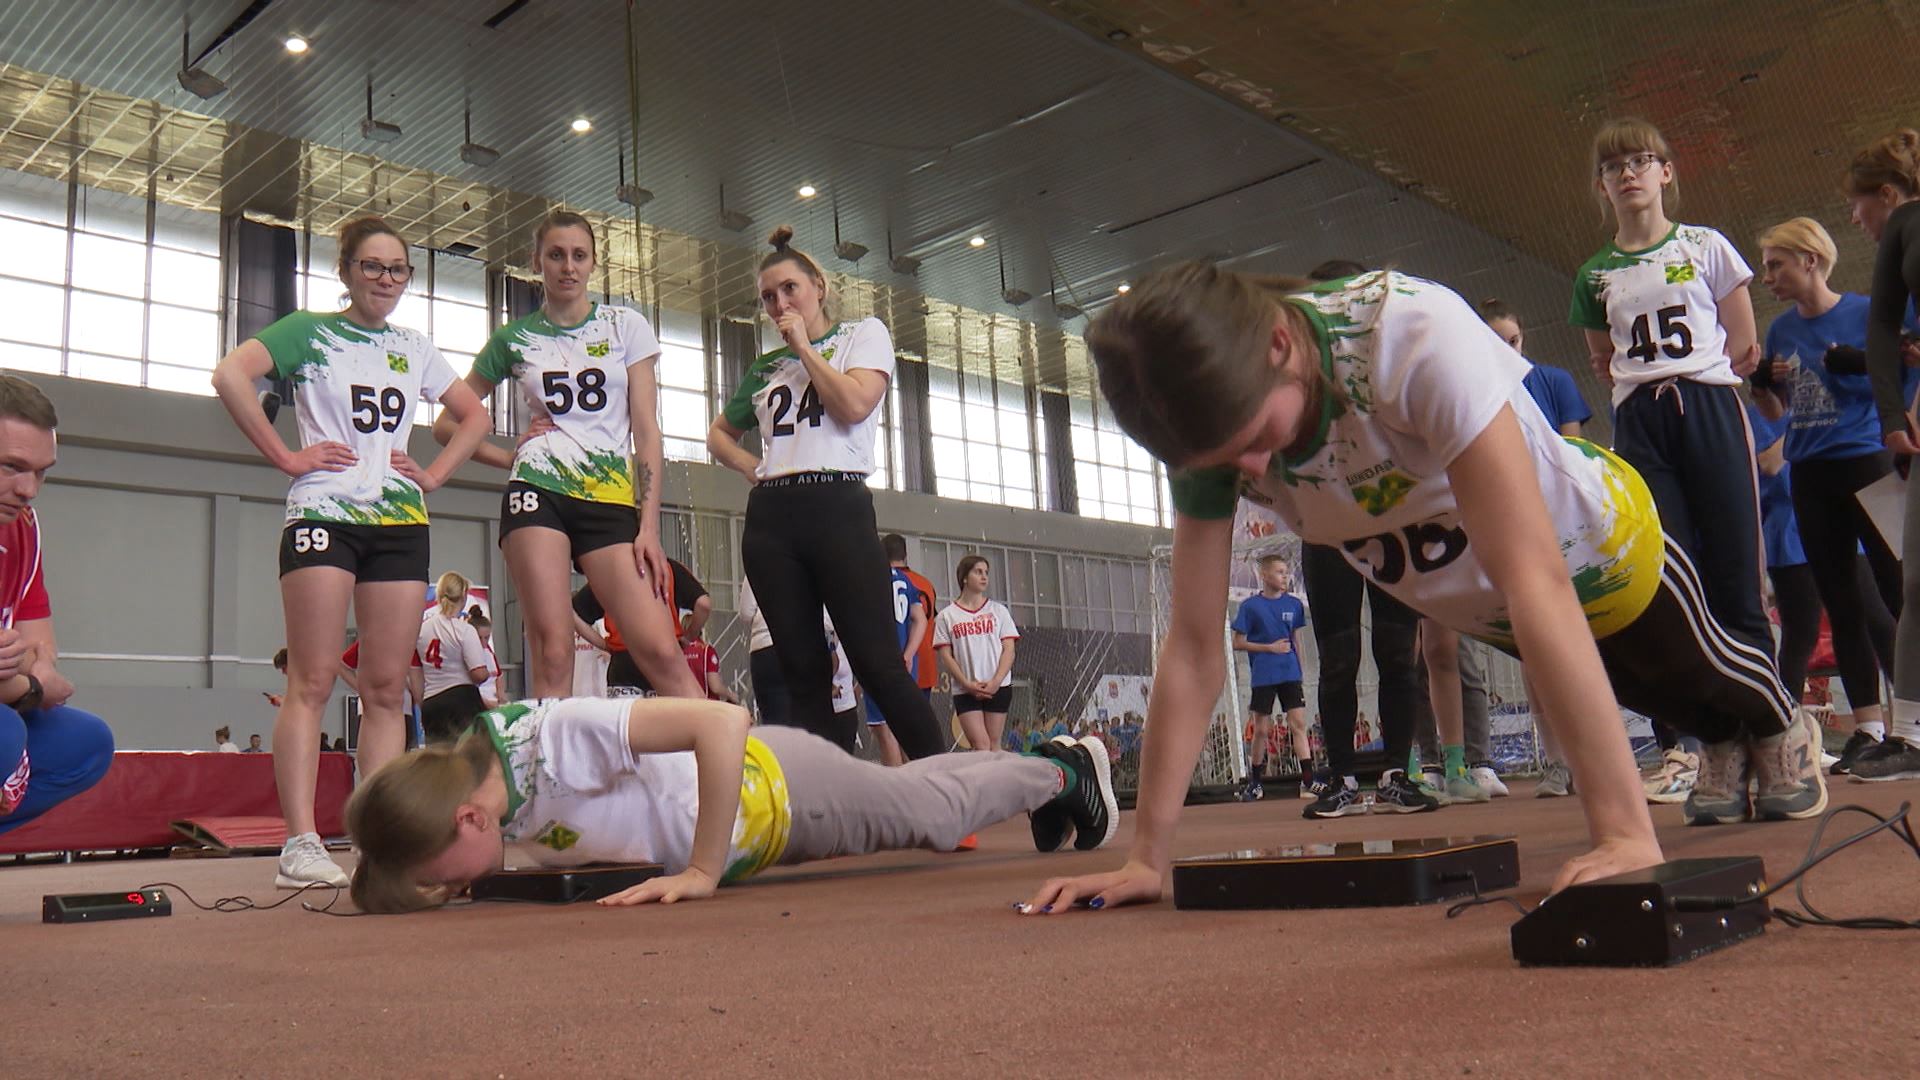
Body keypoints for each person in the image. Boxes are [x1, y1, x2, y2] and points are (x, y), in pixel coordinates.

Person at [1023, 261, 1824, 915]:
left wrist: (1622, 834)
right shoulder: (1209, 434)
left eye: (1259, 441)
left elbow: (1535, 573)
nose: (1258, 476)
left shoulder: (1407, 336)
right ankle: (1724, 744)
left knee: (1704, 673)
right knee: (1653, 695)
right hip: (1491, 607)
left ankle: (1779, 724)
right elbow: (1195, 647)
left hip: (1598, 553)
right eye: (1229, 464)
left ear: (1278, 343)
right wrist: (1146, 858)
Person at [212, 215, 490, 889]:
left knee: (386, 690)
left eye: (397, 269)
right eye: (372, 266)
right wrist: (284, 455)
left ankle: (382, 840)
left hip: (398, 520)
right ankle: (301, 842)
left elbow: (474, 414)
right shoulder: (308, 330)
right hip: (324, 513)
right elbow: (229, 375)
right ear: (345, 270)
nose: (385, 279)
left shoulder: (414, 345)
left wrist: (435, 472)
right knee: (310, 679)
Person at [342, 694, 1118, 913]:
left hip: (779, 788)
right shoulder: (493, 790)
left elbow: (719, 721)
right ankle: (1043, 775)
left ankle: (1063, 772)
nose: (457, 891)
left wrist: (705, 868)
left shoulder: (549, 741)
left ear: (466, 819)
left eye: (445, 878)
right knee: (917, 794)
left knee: (934, 814)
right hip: (768, 825)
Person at [1570, 118, 1778, 791]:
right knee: (1677, 586)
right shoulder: (1594, 273)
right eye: (1613, 167)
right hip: (1640, 422)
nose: (1627, 174)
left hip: (1710, 407)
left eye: (1640, 161)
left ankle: (1772, 736)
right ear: (1601, 186)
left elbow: (1742, 343)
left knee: (1735, 573)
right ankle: (1717, 742)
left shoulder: (1706, 245)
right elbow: (1602, 360)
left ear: (1665, 171)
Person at [437, 209, 701, 703]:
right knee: (554, 651)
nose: (567, 266)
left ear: (594, 262)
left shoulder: (626, 327)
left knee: (660, 650)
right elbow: (446, 424)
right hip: (538, 493)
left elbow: (646, 430)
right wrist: (509, 454)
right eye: (556, 255)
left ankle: (725, 768)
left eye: (579, 256)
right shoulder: (513, 338)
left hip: (609, 500)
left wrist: (648, 527)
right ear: (537, 261)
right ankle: (549, 776)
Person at [706, 227, 944, 759]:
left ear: (818, 287)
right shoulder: (763, 369)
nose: (778, 304)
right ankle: (826, 803)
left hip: (838, 504)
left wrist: (805, 350)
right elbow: (718, 434)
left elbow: (854, 405)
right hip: (773, 517)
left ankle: (949, 789)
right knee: (802, 670)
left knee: (876, 660)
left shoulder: (863, 335)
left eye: (789, 289)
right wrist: (754, 467)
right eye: (768, 296)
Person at [1754, 215, 1910, 775]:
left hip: (1868, 460)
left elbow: (1901, 382)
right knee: (1841, 601)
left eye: (1777, 265)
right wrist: (1761, 387)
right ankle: (1868, 729)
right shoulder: (1780, 331)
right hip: (1812, 471)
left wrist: (1865, 364)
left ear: (1810, 261)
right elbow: (1777, 412)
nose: (1767, 276)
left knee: (1898, 593)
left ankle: (1913, 725)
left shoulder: (1866, 313)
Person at [1284, 259, 1434, 818]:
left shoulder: (1391, 361)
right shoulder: (1295, 376)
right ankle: (1341, 778)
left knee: (1399, 652)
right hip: (1328, 532)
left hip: (1393, 524)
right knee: (1340, 657)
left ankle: (1398, 772)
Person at [1476, 298, 1584, 797]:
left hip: (1563, 524)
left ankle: (1595, 756)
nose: (1505, 350)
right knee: (1534, 647)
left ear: (1525, 340)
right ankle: (1559, 761)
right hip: (1509, 527)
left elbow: (1575, 453)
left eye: (1513, 341)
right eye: (1494, 342)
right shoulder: (1475, 392)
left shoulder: (1554, 382)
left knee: (1583, 642)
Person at [0, 406, 110, 833]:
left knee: (84, 743)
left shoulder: (22, 525)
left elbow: (39, 647)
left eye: (41, 472)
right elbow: (36, 675)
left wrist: (27, 672)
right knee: (6, 733)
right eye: (11, 466)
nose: (29, 489)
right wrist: (33, 684)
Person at [1853, 128, 1920, 781]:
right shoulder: (1905, 229)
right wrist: (1895, 413)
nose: (1854, 218)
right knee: (1917, 577)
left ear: (1886, 192)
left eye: (1858, 204)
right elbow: (1881, 328)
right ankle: (1911, 735)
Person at [1229, 553, 1309, 800]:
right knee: (1261, 729)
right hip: (1264, 674)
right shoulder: (1250, 607)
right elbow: (1238, 642)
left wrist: (1301, 670)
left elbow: (1297, 639)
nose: (1284, 576)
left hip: (1290, 673)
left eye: (1286, 572)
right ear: (1264, 575)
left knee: (1298, 725)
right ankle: (1255, 783)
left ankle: (1308, 781)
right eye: (1279, 572)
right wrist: (1269, 648)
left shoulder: (1294, 605)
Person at [571, 558, 705, 695]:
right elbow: (703, 604)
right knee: (665, 714)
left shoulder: (610, 574)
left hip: (624, 660)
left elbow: (572, 613)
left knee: (627, 715)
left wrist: (604, 644)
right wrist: (689, 637)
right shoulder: (668, 568)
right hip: (663, 657)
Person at [934, 555, 1021, 754]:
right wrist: (965, 683)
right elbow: (946, 656)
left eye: (986, 573)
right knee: (981, 746)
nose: (984, 577)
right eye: (978, 572)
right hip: (966, 689)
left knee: (993, 745)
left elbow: (1009, 650)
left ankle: (999, 785)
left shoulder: (998, 611)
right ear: (964, 577)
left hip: (997, 686)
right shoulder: (947, 616)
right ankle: (983, 784)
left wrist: (996, 681)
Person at [860, 533, 928, 768]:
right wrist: (909, 654)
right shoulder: (907, 582)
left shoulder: (868, 580)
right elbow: (921, 619)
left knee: (885, 731)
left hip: (879, 663)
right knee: (906, 731)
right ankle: (917, 788)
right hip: (905, 665)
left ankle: (897, 795)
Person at [1479, 299, 1593, 437]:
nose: (1508, 351)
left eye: (1513, 341)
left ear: (1522, 336)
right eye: (1498, 343)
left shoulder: (1557, 381)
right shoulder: (1475, 396)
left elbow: (1572, 448)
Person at [417, 571, 491, 742]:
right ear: (464, 596)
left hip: (431, 702)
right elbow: (478, 674)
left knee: (437, 762)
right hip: (461, 701)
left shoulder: (421, 630)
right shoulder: (464, 630)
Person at [340, 638, 427, 748]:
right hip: (387, 706)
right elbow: (342, 666)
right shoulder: (370, 639)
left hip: (395, 706)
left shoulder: (406, 640)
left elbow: (342, 666)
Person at [469, 610, 505, 708]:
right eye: (479, 638)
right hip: (478, 703)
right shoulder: (468, 655)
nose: (483, 642)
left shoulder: (489, 652)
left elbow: (499, 677)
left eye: (487, 637)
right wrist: (489, 704)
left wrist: (501, 696)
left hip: (494, 699)